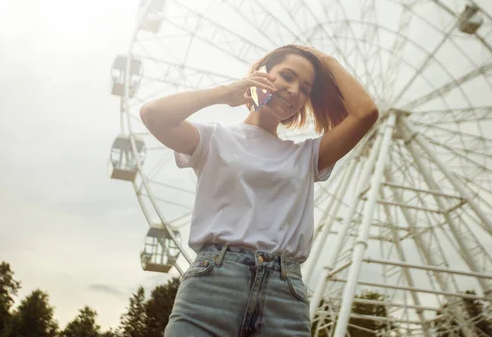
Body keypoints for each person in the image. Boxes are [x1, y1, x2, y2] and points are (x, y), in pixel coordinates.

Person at [140, 45, 379, 336]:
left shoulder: (307, 156)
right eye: (287, 76)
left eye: (305, 89)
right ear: (260, 75)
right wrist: (227, 93)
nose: (294, 91)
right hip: (212, 284)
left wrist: (326, 60)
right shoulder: (213, 138)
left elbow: (366, 113)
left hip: (284, 293)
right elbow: (153, 114)